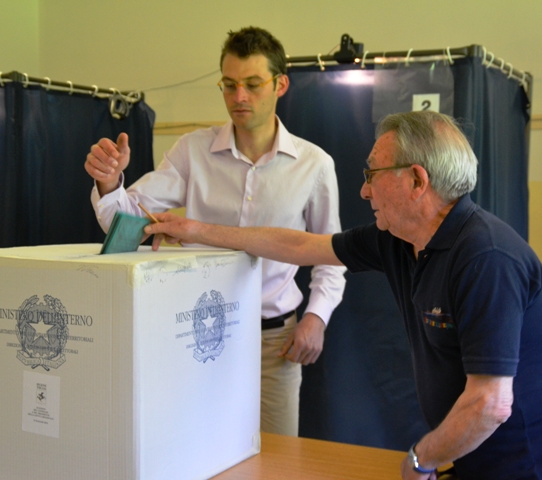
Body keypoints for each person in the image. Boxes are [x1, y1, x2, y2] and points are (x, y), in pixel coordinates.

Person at [144, 110, 542, 479]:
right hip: (472, 457)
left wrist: (422, 459)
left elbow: (490, 403)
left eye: (373, 174)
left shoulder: (486, 258)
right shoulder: (399, 240)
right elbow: (299, 245)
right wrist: (196, 230)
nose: (364, 191)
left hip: (526, 466)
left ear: (416, 180)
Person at [84, 26, 346, 437]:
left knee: (277, 454)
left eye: (252, 84)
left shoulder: (314, 165)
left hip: (274, 340)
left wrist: (316, 317)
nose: (239, 96)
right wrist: (109, 182)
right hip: (196, 332)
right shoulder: (193, 151)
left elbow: (331, 256)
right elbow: (126, 218)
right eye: (229, 84)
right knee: (194, 444)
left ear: (280, 85)